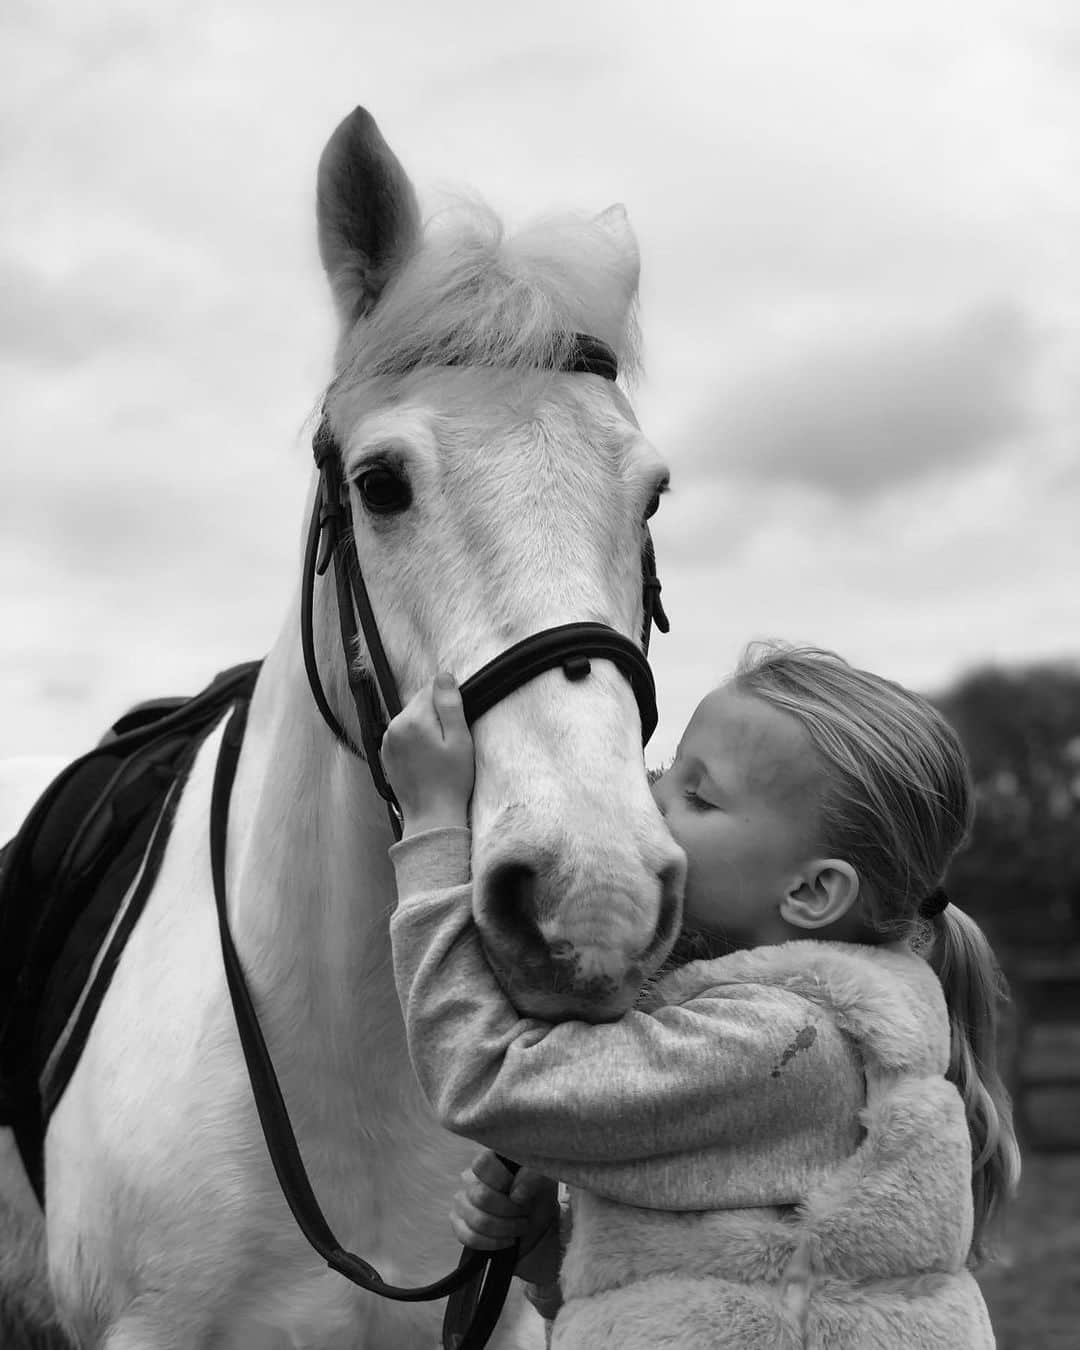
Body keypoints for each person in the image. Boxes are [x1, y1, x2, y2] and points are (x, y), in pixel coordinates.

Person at [382, 643, 1020, 1349]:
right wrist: (555, 1257)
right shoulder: (796, 1034)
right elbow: (730, 1296)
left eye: (698, 795)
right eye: (665, 769)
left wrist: (433, 826)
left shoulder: (787, 1044)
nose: (650, 797)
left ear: (812, 892)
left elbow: (484, 1076)